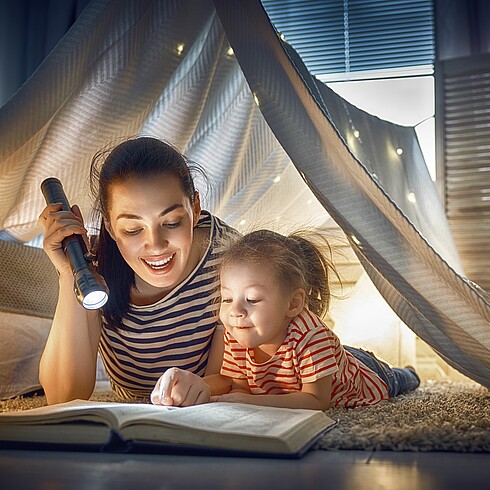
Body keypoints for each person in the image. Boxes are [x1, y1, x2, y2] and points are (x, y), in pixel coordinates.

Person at [39, 136, 238, 405]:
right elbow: (64, 396)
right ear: (109, 227)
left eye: (171, 222)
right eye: (133, 229)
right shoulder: (95, 269)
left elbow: (232, 380)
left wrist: (203, 387)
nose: (155, 245)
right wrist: (68, 273)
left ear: (195, 208)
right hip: (132, 420)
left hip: (202, 413)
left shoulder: (229, 258)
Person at [208, 229, 420, 410]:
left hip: (366, 371)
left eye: (252, 299)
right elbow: (240, 387)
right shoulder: (238, 331)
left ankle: (410, 372)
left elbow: (317, 400)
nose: (235, 310)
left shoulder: (311, 336)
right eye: (227, 298)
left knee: (399, 380)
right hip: (329, 358)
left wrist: (252, 402)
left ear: (293, 303)